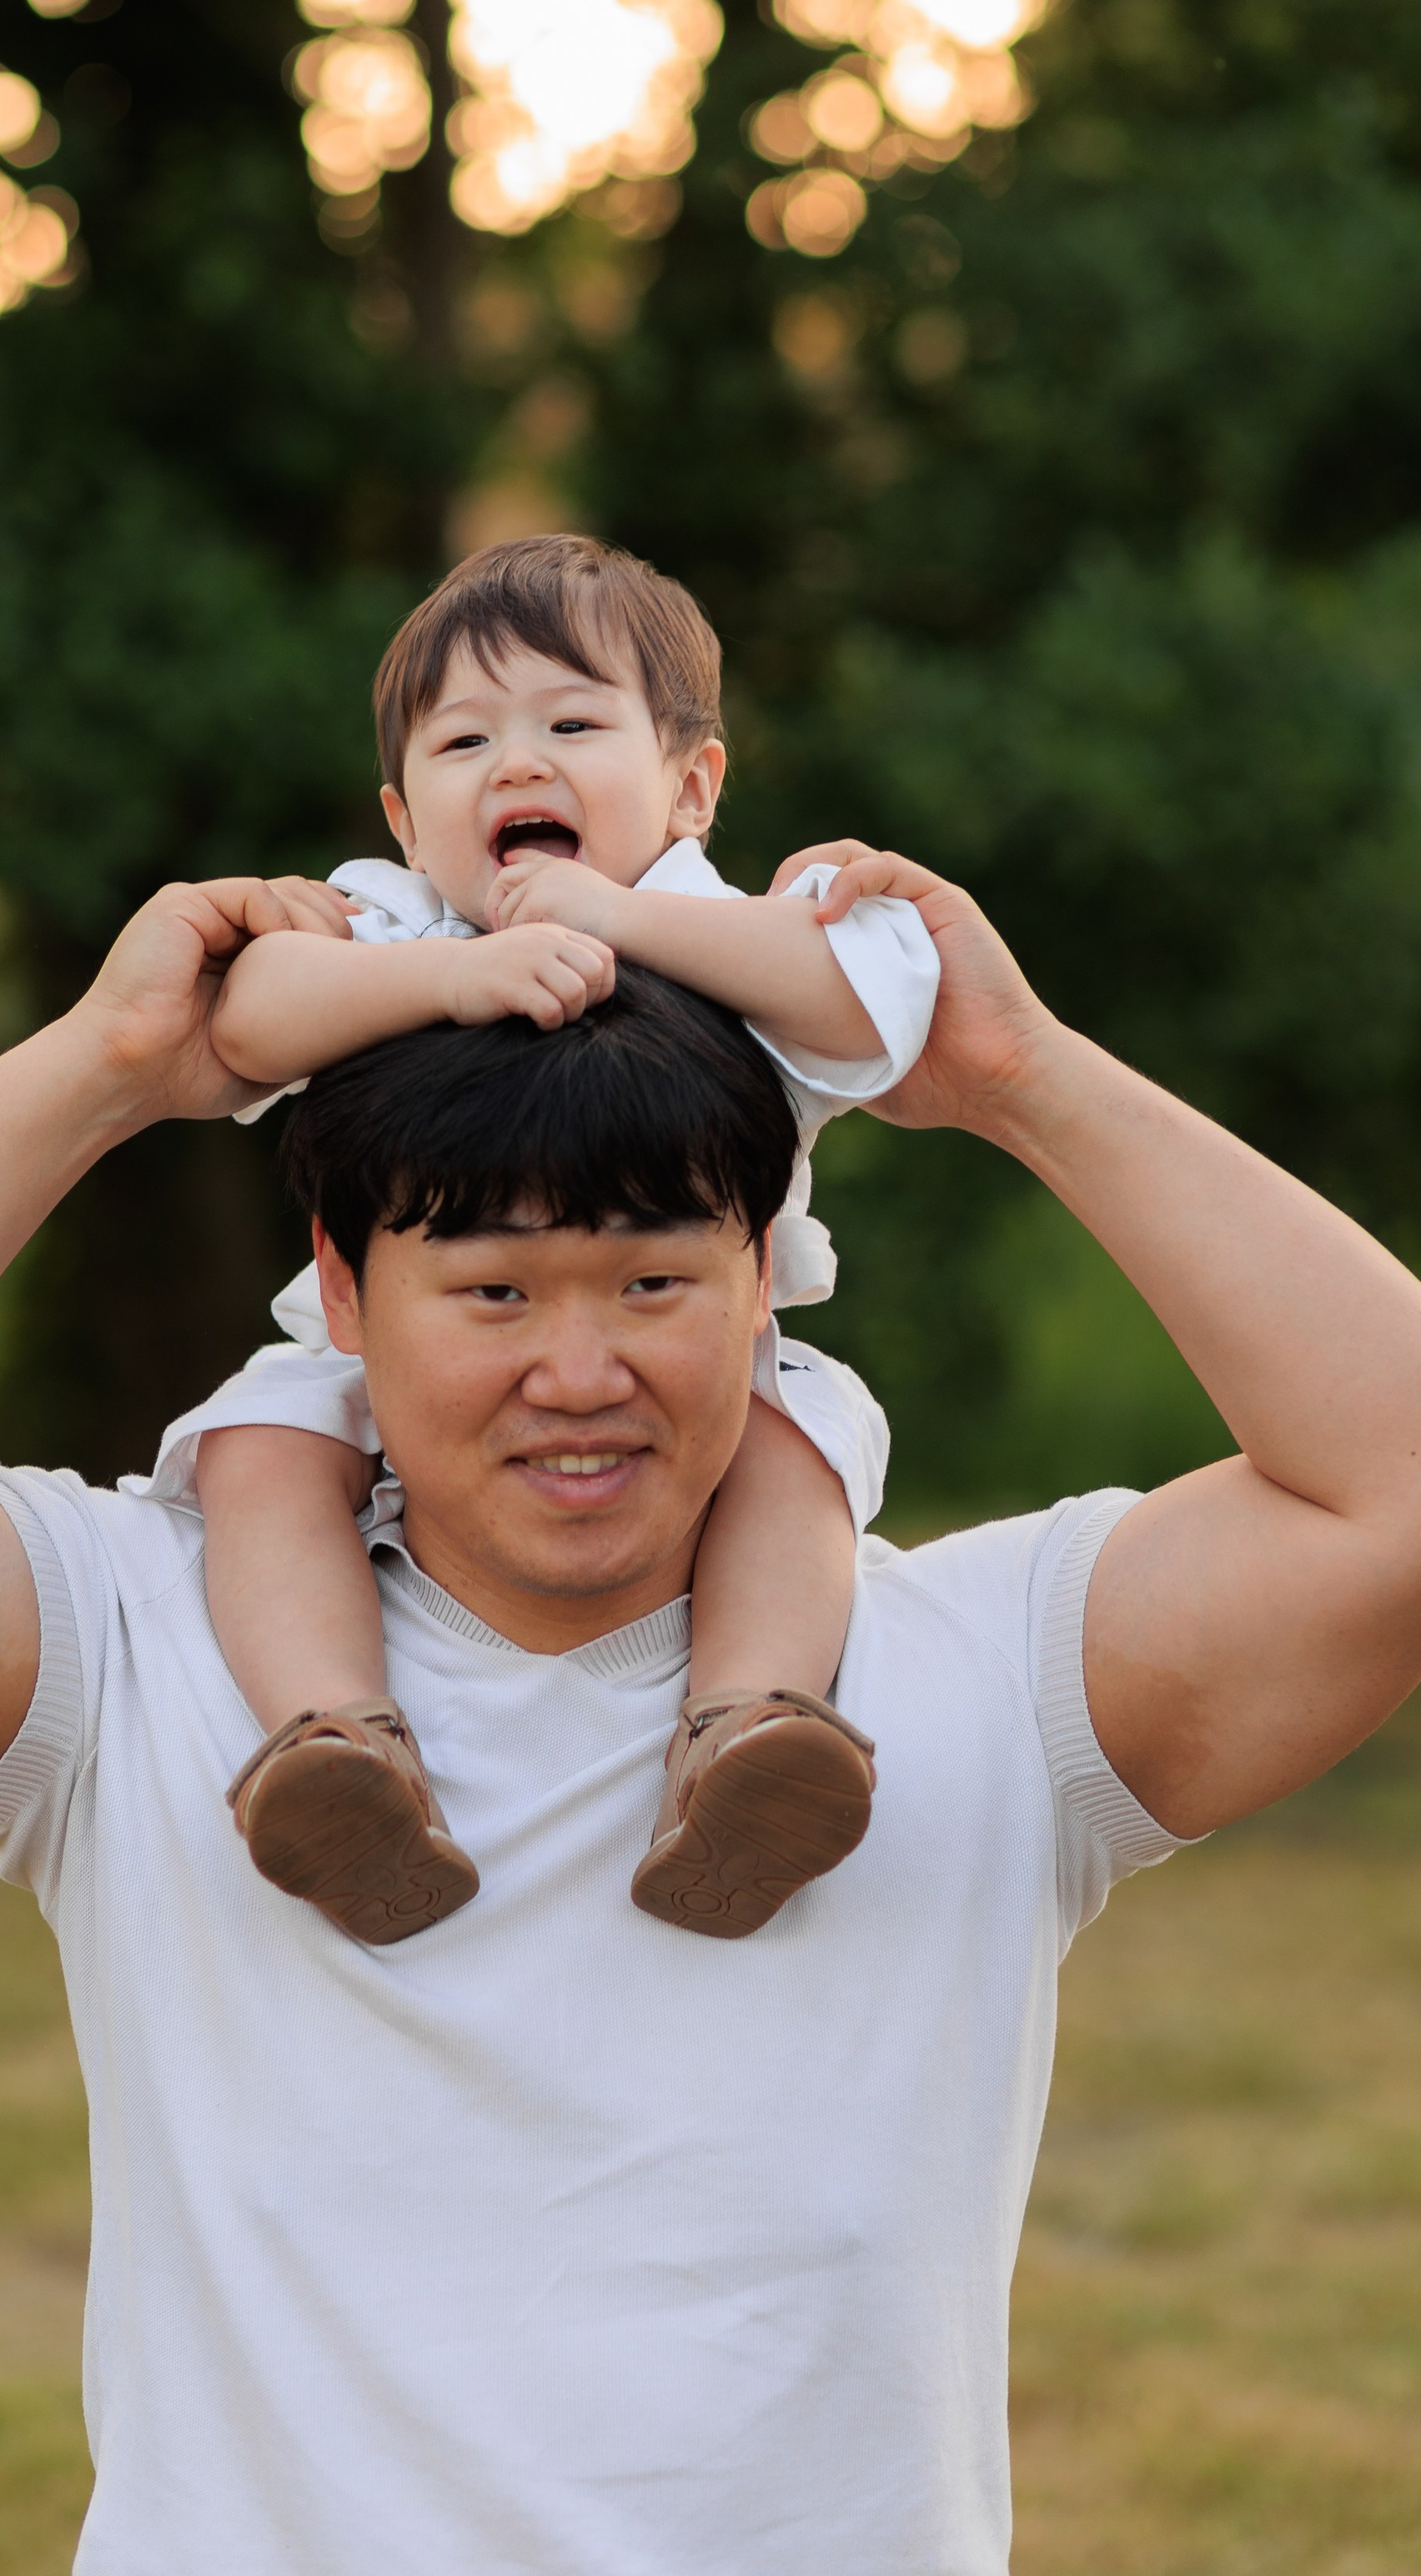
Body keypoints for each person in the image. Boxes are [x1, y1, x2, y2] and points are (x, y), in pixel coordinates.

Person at [0, 853, 1421, 2576]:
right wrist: (105, 1069)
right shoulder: (148, 1655)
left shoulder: (978, 1681)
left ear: (765, 1282)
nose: (578, 1372)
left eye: (655, 1279)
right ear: (338, 1293)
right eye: (490, 1293)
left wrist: (1015, 1080)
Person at [170, 532, 942, 1943]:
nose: (517, 765)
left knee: (796, 1452)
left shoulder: (723, 922)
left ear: (691, 786)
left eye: (574, 724)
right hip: (390, 1346)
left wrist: (624, 917)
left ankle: (745, 1734)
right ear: (406, 819)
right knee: (260, 1450)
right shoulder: (406, 919)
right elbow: (249, 1016)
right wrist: (456, 972)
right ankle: (337, 1744)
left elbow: (871, 1014)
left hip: (711, 1356)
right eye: (465, 742)